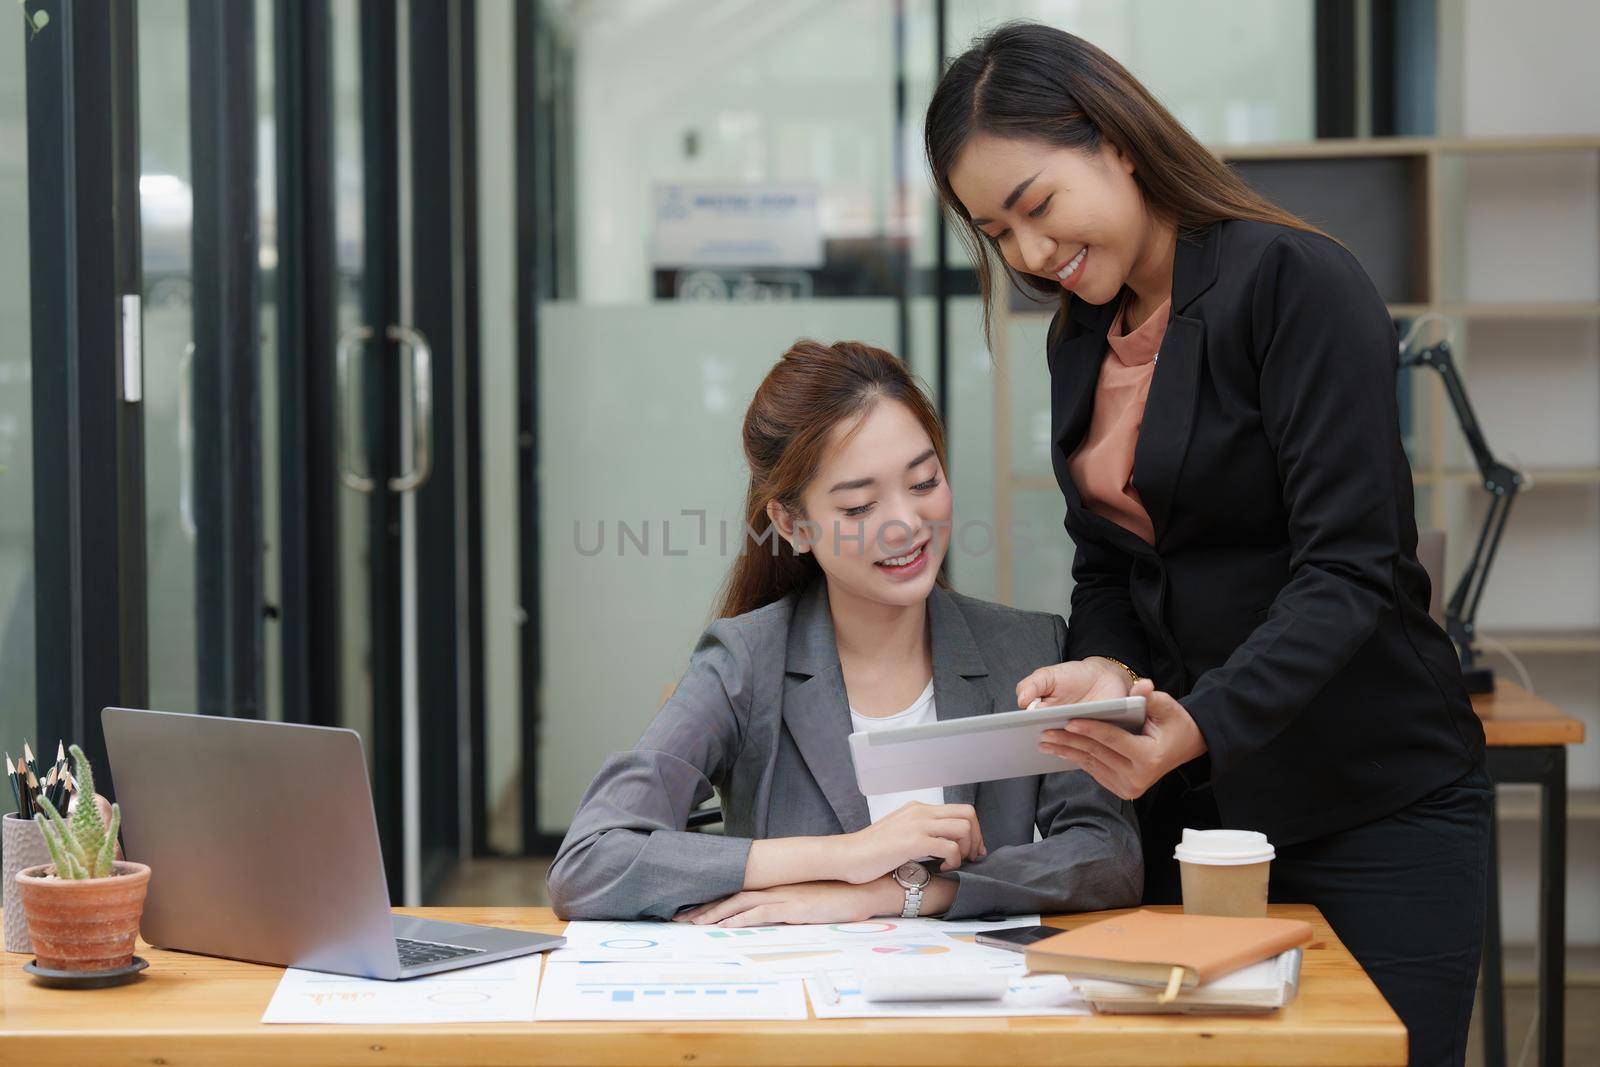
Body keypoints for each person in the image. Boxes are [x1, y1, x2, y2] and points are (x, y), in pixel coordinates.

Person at [925, 22, 1489, 1066]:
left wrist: (1197, 721)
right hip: (1201, 817)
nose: (1031, 255)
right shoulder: (1079, 334)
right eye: (996, 233)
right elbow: (1106, 559)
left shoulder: (1294, 282)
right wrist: (1107, 665)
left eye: (1038, 206)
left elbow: (1347, 568)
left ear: (1118, 140)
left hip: (1370, 797)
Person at [547, 339, 1141, 925]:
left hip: (977, 1011)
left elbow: (1107, 856)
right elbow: (590, 862)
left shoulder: (1028, 651)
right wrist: (847, 856)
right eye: (859, 507)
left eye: (924, 482)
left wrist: (900, 892)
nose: (906, 524)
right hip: (802, 1011)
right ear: (793, 524)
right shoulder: (745, 663)